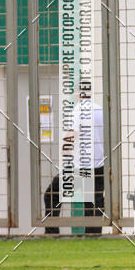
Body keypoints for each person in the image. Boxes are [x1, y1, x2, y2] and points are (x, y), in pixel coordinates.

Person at [44, 96, 105, 234]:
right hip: (99, 165)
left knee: (52, 194)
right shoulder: (101, 111)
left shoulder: (78, 110)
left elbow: (72, 133)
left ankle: (51, 232)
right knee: (93, 204)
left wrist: (65, 154)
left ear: (78, 94)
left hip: (80, 167)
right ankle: (93, 236)